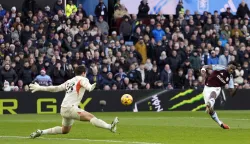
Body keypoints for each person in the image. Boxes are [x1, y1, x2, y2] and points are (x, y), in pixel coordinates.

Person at [29, 65, 119, 138]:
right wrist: (90, 87)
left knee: (65, 130)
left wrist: (40, 87)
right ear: (84, 73)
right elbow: (86, 84)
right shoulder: (83, 79)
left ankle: (41, 132)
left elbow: (55, 88)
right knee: (90, 117)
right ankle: (110, 127)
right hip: (70, 108)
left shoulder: (69, 81)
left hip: (64, 108)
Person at [201, 62, 238, 129]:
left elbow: (231, 93)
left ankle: (210, 103)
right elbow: (206, 66)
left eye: (233, 69)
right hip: (206, 88)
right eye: (231, 68)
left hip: (217, 88)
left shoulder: (230, 78)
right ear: (228, 66)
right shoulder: (220, 67)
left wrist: (236, 87)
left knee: (213, 94)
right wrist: (203, 69)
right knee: (210, 111)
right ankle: (221, 124)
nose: (232, 70)